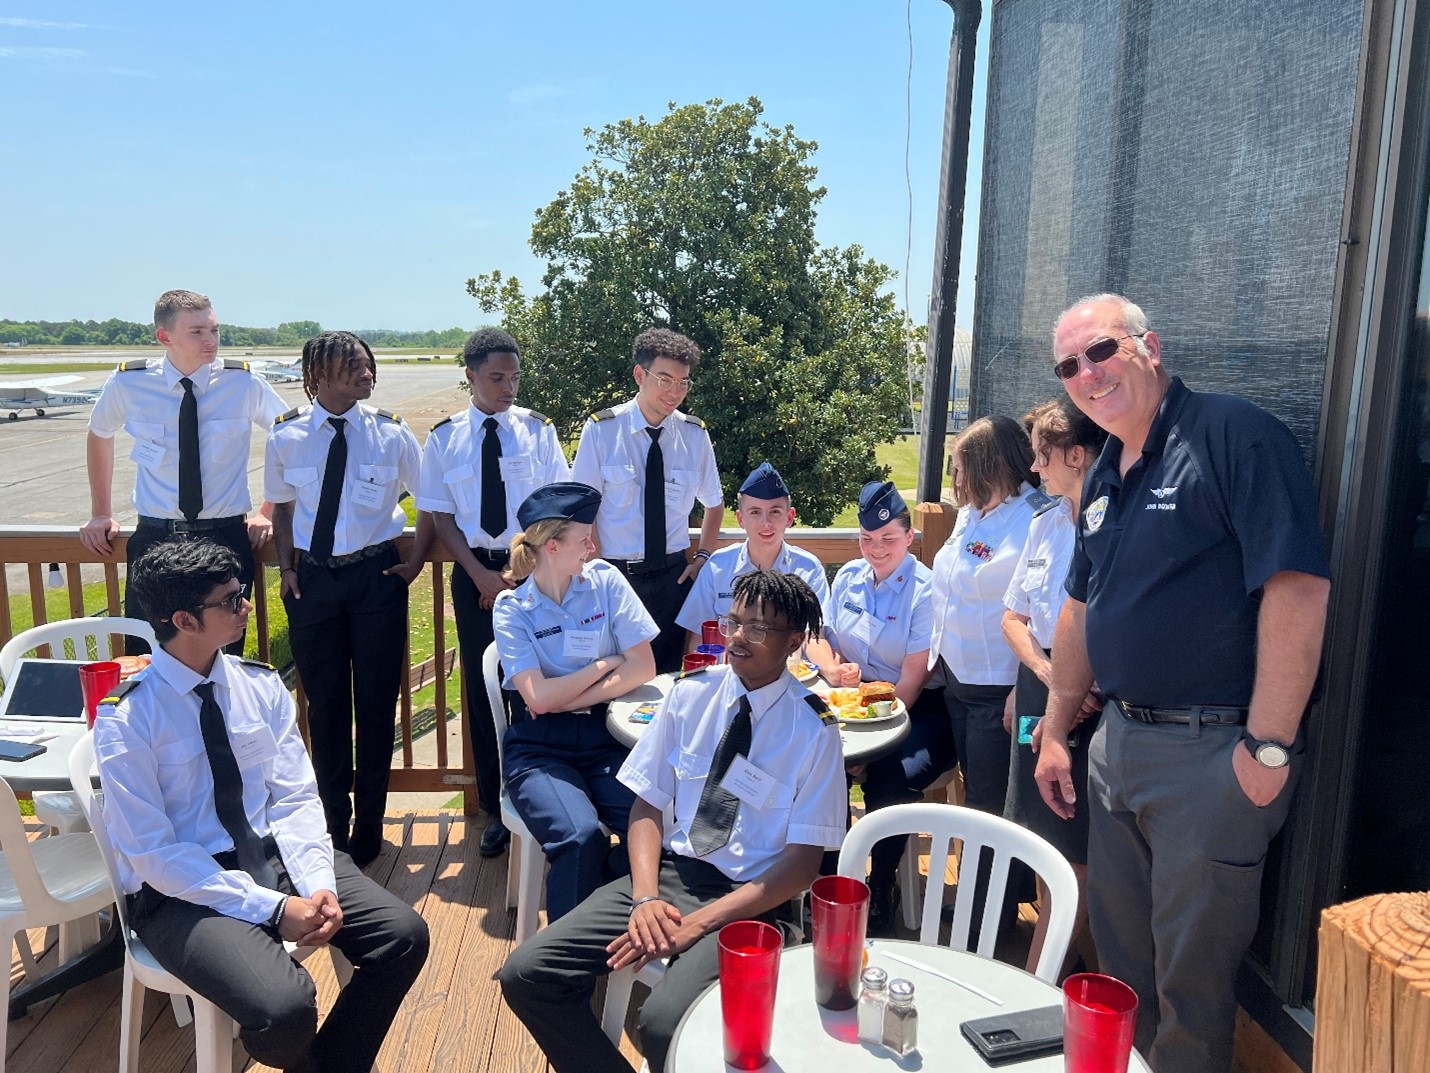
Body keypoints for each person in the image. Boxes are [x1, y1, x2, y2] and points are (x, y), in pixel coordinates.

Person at [1034, 294, 1330, 1073]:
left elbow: (1297, 588)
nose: (1088, 375)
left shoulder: (1236, 437)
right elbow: (1079, 608)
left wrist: (1267, 747)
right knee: (1125, 973)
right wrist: (1059, 730)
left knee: (1191, 998)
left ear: (1149, 346)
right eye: (1069, 366)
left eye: (1100, 351)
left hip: (1212, 755)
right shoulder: (1105, 469)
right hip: (1118, 745)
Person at [93, 538, 429, 1072]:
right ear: (184, 619)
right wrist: (274, 910)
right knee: (285, 1008)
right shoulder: (126, 720)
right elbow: (153, 855)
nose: (246, 605)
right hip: (182, 889)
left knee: (403, 937)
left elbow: (294, 796)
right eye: (230, 600)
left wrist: (318, 883)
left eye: (242, 592)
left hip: (275, 856)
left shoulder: (261, 686)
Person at [499, 570, 846, 1073]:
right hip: (671, 877)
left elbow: (801, 866)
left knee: (662, 1023)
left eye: (759, 628)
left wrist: (700, 924)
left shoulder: (815, 730)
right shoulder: (690, 694)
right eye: (734, 621)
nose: (739, 637)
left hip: (753, 901)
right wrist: (644, 897)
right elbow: (645, 804)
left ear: (795, 641)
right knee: (527, 973)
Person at [264, 330, 427, 866]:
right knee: (326, 706)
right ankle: (333, 822)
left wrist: (416, 560)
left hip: (376, 579)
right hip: (312, 583)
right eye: (351, 366)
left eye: (367, 364)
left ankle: (371, 825)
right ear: (318, 376)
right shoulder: (286, 435)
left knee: (377, 706)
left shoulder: (391, 433)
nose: (365, 373)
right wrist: (287, 567)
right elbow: (282, 511)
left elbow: (430, 500)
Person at [417, 328, 570, 859]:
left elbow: (554, 505)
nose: (509, 387)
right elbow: (440, 514)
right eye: (496, 377)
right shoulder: (443, 438)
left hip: (531, 573)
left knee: (535, 688)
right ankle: (494, 804)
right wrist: (481, 576)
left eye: (515, 377)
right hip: (473, 573)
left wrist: (517, 571)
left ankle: (543, 798)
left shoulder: (537, 431)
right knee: (485, 694)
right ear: (471, 376)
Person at [81, 289, 287, 654]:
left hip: (224, 537)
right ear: (165, 337)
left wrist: (268, 510)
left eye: (215, 330)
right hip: (157, 538)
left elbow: (288, 439)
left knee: (223, 655)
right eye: (197, 332)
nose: (211, 341)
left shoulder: (242, 383)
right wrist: (101, 512)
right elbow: (100, 434)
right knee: (148, 655)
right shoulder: (131, 383)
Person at [492, 482, 659, 920]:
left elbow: (643, 667)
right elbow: (536, 699)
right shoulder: (513, 608)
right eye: (584, 538)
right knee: (581, 837)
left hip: (609, 735)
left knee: (658, 826)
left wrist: (564, 698)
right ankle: (564, 975)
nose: (593, 545)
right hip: (540, 748)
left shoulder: (606, 581)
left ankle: (617, 923)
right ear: (552, 547)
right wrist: (604, 665)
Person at [805, 480, 946, 933]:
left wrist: (868, 749)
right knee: (819, 766)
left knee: (892, 779)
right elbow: (816, 637)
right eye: (867, 539)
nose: (877, 548)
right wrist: (829, 670)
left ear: (909, 537)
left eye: (888, 538)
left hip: (917, 710)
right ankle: (829, 882)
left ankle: (880, 887)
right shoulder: (847, 576)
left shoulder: (925, 591)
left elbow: (911, 682)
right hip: (853, 704)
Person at [1000, 397, 1107, 972]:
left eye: (1043, 457)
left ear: (1077, 454)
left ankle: (1038, 978)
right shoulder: (1044, 526)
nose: (1035, 470)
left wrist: (1073, 687)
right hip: (1044, 689)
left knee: (1076, 849)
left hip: (1093, 709)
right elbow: (1012, 617)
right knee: (1037, 830)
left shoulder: (1112, 526)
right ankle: (1060, 956)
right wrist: (1045, 675)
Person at [571, 327, 724, 673]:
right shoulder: (603, 430)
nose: (675, 392)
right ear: (640, 375)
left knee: (670, 676)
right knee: (613, 675)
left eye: (683, 382)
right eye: (665, 380)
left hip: (674, 578)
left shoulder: (694, 436)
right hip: (616, 576)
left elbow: (714, 504)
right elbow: (584, 508)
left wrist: (702, 555)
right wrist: (596, 570)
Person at [929, 416, 1049, 818]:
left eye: (960, 469)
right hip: (958, 682)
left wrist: (1025, 685)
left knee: (992, 808)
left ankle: (991, 883)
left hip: (1000, 691)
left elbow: (1043, 611)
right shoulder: (974, 513)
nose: (956, 480)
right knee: (976, 796)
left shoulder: (1037, 518)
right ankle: (980, 882)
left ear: (986, 466)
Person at [675, 461, 828, 650]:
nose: (766, 523)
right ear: (741, 519)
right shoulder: (717, 567)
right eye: (755, 512)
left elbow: (814, 637)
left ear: (789, 517)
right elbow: (699, 637)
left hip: (791, 674)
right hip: (731, 672)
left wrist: (830, 670)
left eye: (775, 512)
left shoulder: (808, 570)